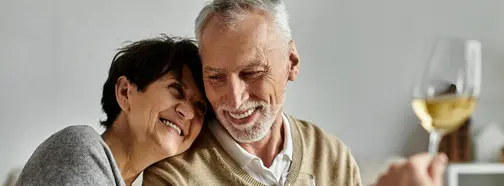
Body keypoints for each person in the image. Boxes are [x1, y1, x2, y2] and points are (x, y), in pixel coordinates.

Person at [143, 1, 447, 186]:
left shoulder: (333, 157)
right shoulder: (175, 174)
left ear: (292, 62)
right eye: (215, 77)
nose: (234, 99)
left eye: (252, 73)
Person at [15, 35, 211, 186]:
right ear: (125, 92)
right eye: (176, 90)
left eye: (200, 107)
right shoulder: (81, 146)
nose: (188, 112)